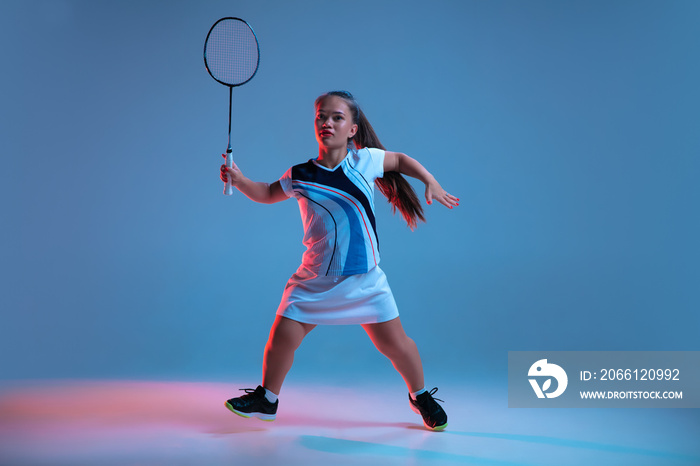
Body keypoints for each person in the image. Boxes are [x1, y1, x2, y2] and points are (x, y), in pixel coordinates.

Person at [220, 90, 459, 431]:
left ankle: (420, 395)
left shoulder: (366, 161)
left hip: (365, 282)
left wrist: (430, 181)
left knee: (398, 346)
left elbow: (402, 160)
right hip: (314, 281)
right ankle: (267, 399)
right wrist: (240, 180)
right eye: (321, 117)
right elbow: (267, 193)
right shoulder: (300, 174)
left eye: (336, 117)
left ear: (352, 130)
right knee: (281, 338)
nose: (327, 123)